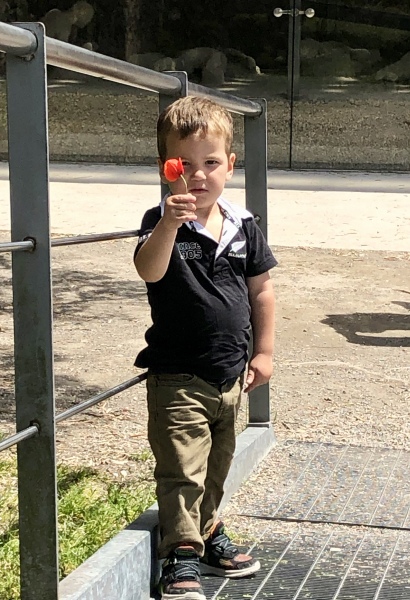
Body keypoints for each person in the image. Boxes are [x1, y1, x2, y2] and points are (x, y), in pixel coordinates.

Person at [133, 96, 277, 600]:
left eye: (211, 163)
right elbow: (149, 270)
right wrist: (169, 226)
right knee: (182, 470)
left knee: (217, 464)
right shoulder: (160, 220)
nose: (199, 176)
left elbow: (262, 292)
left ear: (230, 166)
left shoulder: (243, 225)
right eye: (184, 165)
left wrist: (264, 352)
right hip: (177, 376)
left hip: (229, 375)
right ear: (166, 168)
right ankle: (180, 554)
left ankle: (208, 528)